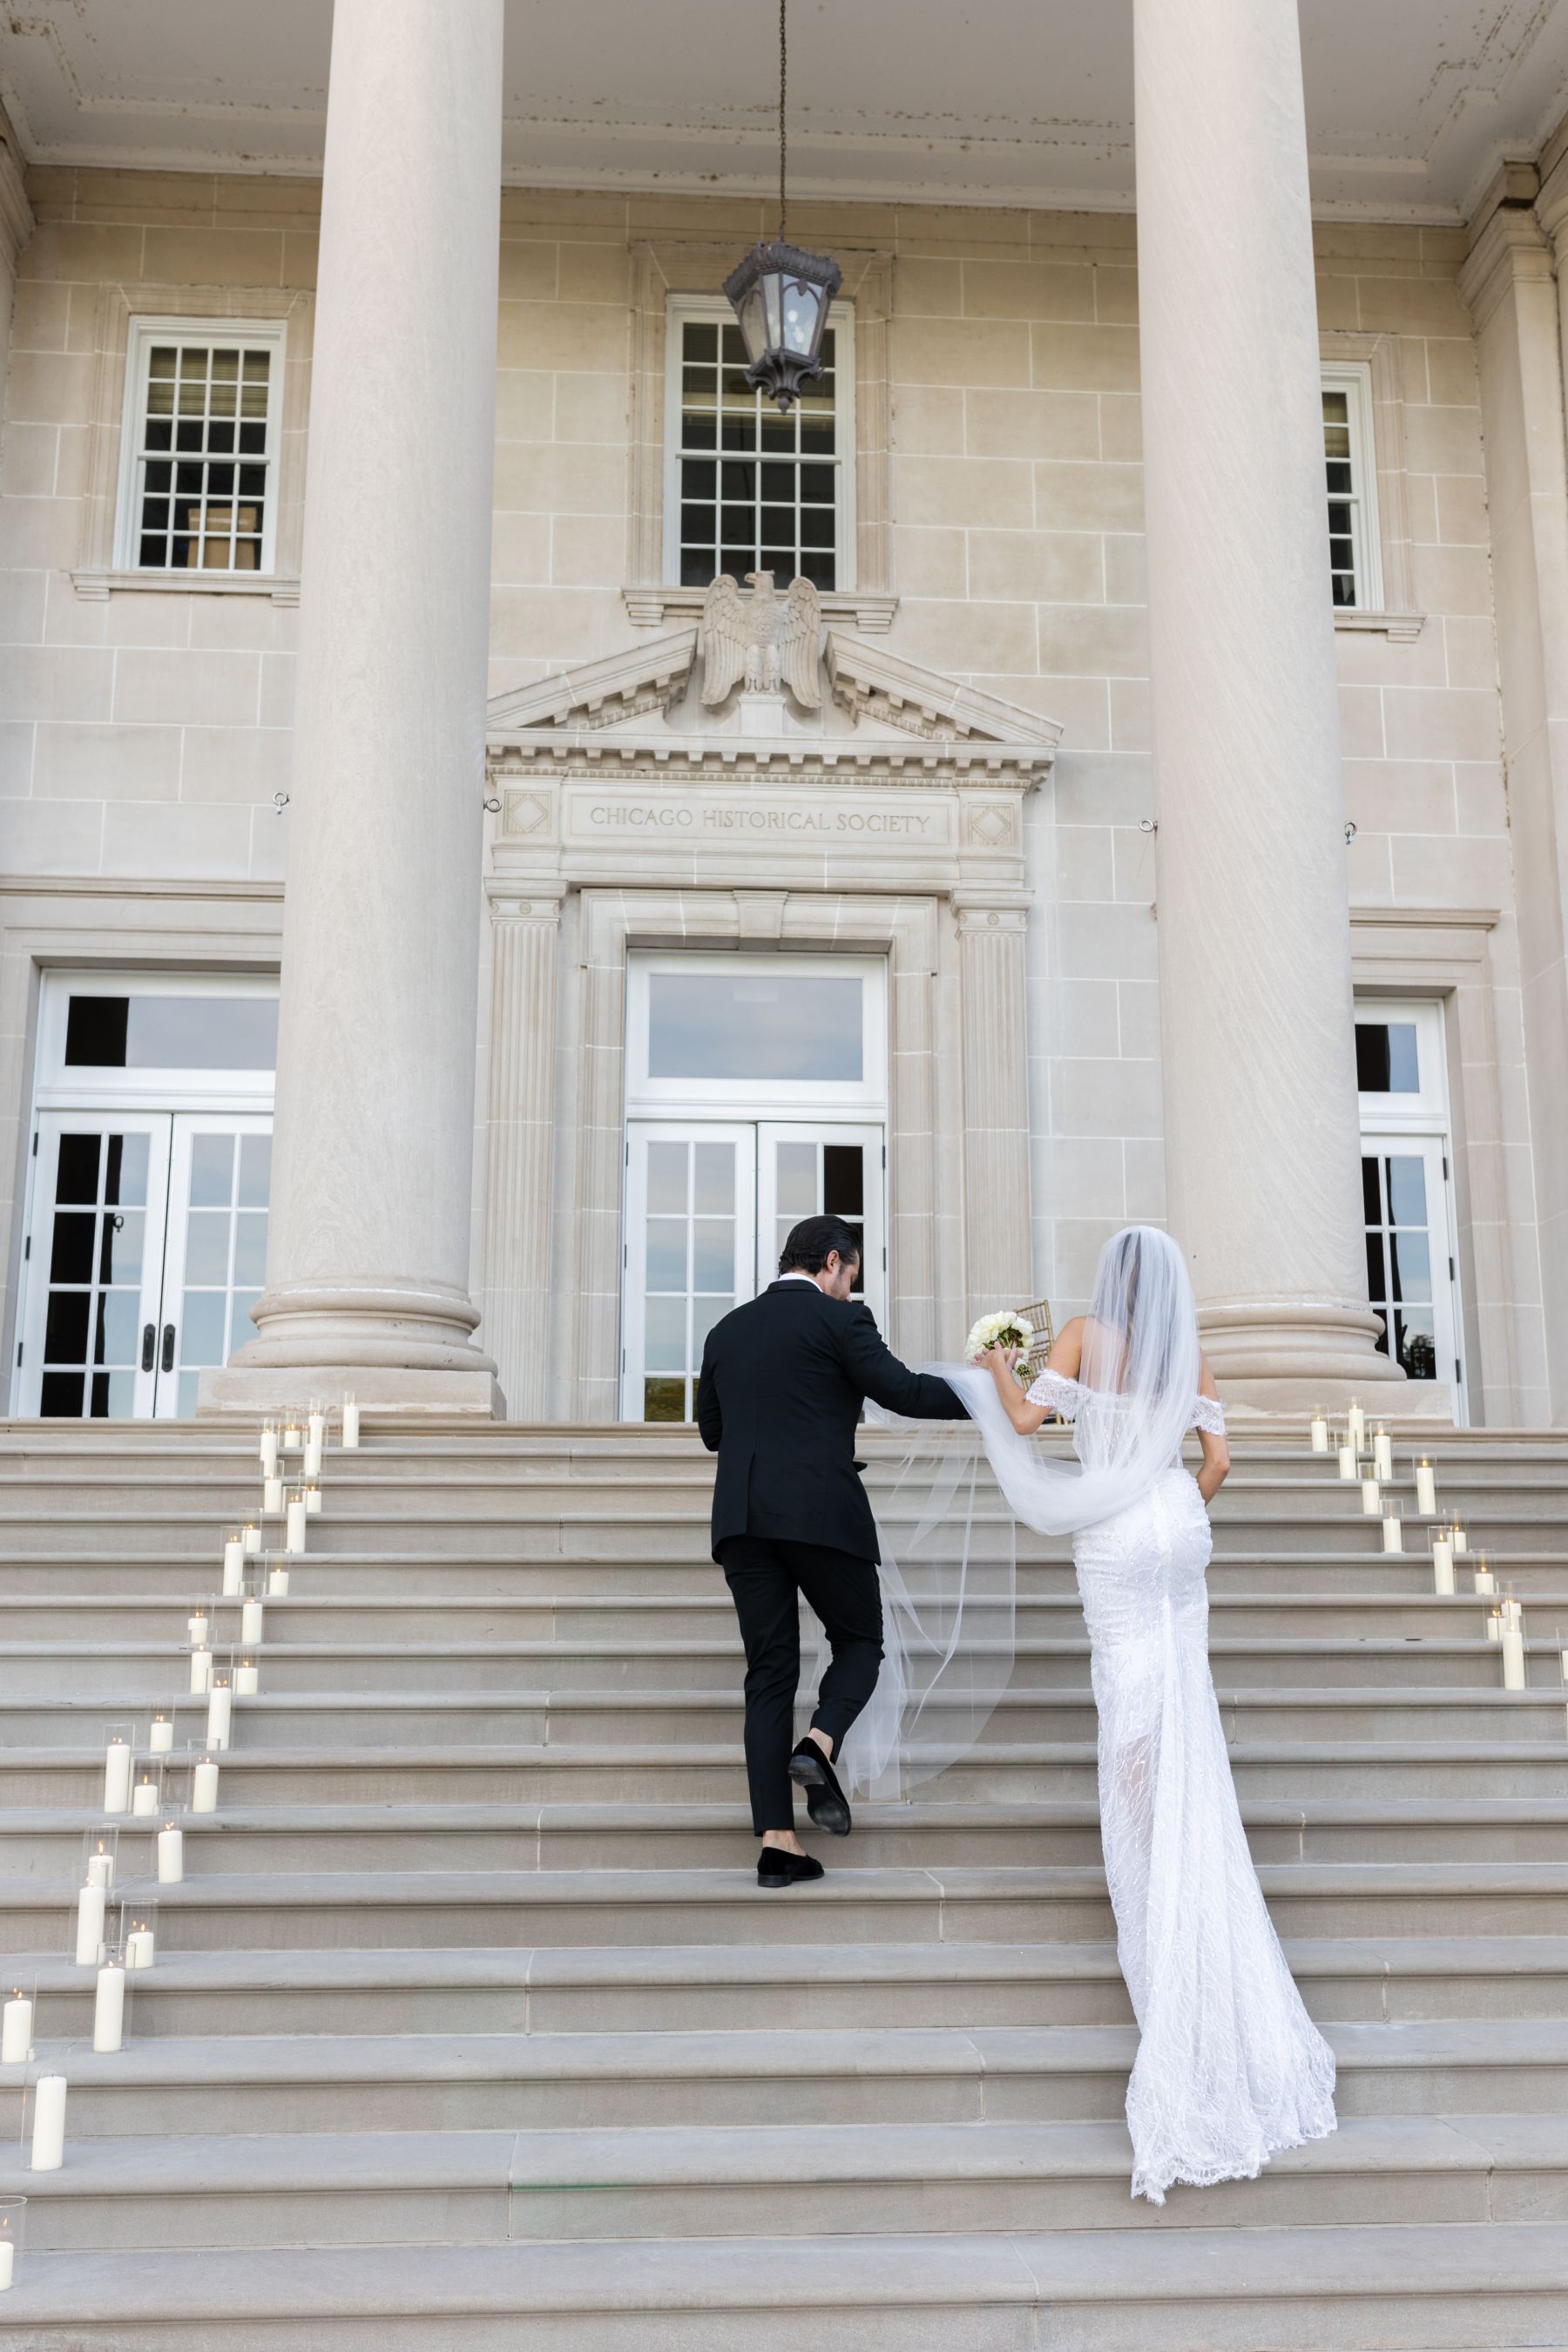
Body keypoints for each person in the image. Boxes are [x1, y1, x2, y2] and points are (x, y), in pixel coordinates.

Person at [943, 1225, 1336, 2203]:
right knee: (1182, 1694)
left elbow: (1030, 1428)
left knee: (1129, 1699)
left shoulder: (1079, 1334)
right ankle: (1187, 1840)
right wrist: (1176, 1500)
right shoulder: (1189, 1354)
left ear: (1112, 1284)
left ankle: (1152, 1857)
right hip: (1178, 1526)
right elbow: (1220, 1464)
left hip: (1117, 1535)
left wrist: (999, 1364)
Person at [695, 1213, 968, 1889]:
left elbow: (712, 1433)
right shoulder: (842, 1321)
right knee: (860, 1640)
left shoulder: (725, 1330)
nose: (851, 1286)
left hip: (741, 1519)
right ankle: (818, 1745)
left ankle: (778, 1844)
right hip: (820, 1512)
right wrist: (992, 1391)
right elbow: (903, 1392)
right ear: (835, 1262)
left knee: (769, 1674)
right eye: (851, 1274)